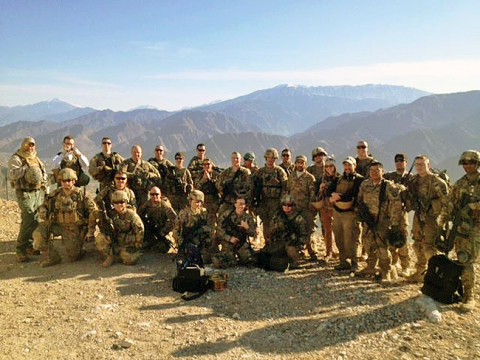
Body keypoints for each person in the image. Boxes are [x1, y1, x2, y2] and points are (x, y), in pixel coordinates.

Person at [440, 150, 480, 312]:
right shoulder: (460, 184)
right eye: (465, 163)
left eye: (471, 162)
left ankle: (469, 296)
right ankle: (465, 293)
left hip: (476, 228)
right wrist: (442, 221)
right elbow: (451, 204)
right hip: (462, 228)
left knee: (469, 260)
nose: (467, 166)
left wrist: (473, 206)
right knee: (463, 259)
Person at [32, 168, 97, 267]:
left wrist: (90, 231)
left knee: (73, 257)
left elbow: (93, 212)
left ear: (74, 181)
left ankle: (79, 247)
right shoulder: (55, 195)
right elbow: (43, 205)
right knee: (38, 235)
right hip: (57, 225)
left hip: (74, 229)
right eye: (64, 181)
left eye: (69, 180)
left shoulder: (82, 195)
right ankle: (52, 257)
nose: (67, 183)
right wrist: (42, 210)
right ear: (60, 182)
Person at [356, 161, 403, 282]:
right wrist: (360, 215)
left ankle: (386, 271)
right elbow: (359, 200)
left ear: (382, 172)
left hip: (382, 221)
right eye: (372, 171)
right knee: (367, 243)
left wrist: (394, 222)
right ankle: (370, 267)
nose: (374, 173)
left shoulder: (388, 186)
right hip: (368, 220)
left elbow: (397, 204)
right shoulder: (365, 184)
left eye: (377, 171)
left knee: (382, 246)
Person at [404, 154, 449, 282]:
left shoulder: (437, 182)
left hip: (432, 219)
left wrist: (442, 222)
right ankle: (420, 273)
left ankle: (435, 275)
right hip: (418, 217)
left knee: (429, 247)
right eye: (417, 164)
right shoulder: (414, 181)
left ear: (428, 165)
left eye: (422, 164)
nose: (419, 167)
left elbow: (447, 202)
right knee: (417, 244)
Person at [8, 137, 48, 262]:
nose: (30, 148)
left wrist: (45, 188)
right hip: (25, 193)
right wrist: (26, 168)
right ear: (23, 146)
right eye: (27, 145)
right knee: (28, 218)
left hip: (38, 192)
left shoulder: (36, 158)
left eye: (32, 145)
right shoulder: (17, 158)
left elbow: (43, 174)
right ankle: (20, 249)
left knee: (35, 220)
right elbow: (12, 174)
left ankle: (30, 246)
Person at [327, 156, 364, 271]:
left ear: (355, 166)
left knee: (351, 238)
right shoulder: (338, 178)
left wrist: (340, 197)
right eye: (345, 165)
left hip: (351, 213)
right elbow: (329, 189)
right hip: (337, 213)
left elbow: (356, 193)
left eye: (350, 165)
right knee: (339, 237)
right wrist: (331, 195)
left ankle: (354, 262)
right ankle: (343, 261)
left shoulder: (359, 180)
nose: (347, 167)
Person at [95, 190, 144, 267]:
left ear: (126, 202)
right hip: (115, 240)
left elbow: (140, 232)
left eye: (122, 202)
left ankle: (118, 255)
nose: (119, 205)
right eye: (116, 202)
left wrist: (136, 245)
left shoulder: (132, 215)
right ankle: (110, 255)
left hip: (128, 242)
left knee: (130, 260)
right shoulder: (110, 214)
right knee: (100, 238)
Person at [259, 194, 309, 270]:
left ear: (293, 206)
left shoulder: (298, 218)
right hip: (279, 241)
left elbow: (304, 235)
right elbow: (271, 230)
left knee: (291, 250)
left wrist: (296, 241)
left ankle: (293, 262)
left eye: (289, 205)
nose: (286, 207)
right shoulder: (278, 216)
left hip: (292, 244)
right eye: (284, 204)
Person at [384, 153, 413, 276]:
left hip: (402, 213)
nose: (399, 162)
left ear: (406, 162)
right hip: (389, 212)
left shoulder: (411, 178)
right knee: (390, 239)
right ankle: (393, 263)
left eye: (402, 160)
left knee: (402, 240)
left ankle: (405, 266)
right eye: (397, 160)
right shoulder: (389, 176)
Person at [253, 148, 288, 244]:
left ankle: (276, 245)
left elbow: (285, 188)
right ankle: (267, 244)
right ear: (265, 158)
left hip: (277, 202)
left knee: (276, 224)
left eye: (273, 158)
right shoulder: (260, 172)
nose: (270, 160)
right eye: (269, 158)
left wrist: (282, 202)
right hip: (264, 202)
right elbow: (254, 186)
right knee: (266, 224)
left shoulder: (279, 171)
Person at [286, 155, 317, 260]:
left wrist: (311, 208)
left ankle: (311, 251)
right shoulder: (291, 176)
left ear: (305, 164)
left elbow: (312, 194)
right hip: (293, 209)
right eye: (298, 162)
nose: (300, 164)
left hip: (306, 209)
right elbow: (288, 191)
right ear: (295, 163)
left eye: (302, 162)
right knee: (294, 230)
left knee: (308, 230)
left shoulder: (309, 178)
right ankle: (298, 251)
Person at [213, 196, 257, 268]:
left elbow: (253, 233)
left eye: (243, 204)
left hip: (241, 242)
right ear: (235, 204)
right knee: (227, 262)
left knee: (250, 261)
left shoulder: (248, 217)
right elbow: (219, 230)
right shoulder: (227, 215)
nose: (241, 206)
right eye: (239, 203)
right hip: (228, 242)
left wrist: (247, 228)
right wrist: (229, 238)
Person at [172, 190, 212, 268]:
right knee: (187, 260)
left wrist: (203, 230)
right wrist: (179, 241)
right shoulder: (184, 213)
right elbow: (176, 229)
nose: (198, 204)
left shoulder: (204, 212)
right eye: (196, 201)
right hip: (187, 241)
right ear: (190, 201)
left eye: (200, 202)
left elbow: (210, 227)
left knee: (205, 260)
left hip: (201, 240)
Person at [313, 156, 339, 260]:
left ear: (334, 166)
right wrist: (320, 189)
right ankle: (329, 252)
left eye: (331, 166)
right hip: (324, 207)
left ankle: (341, 252)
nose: (329, 168)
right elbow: (315, 194)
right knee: (327, 230)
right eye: (327, 166)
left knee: (338, 231)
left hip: (337, 208)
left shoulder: (339, 178)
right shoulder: (320, 178)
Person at [193, 158, 221, 248]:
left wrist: (211, 180)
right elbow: (196, 187)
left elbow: (219, 188)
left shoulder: (217, 174)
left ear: (211, 165)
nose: (206, 166)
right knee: (202, 224)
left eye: (208, 164)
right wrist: (203, 180)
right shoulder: (200, 175)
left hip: (214, 203)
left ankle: (213, 245)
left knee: (212, 225)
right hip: (203, 203)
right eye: (204, 164)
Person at [138, 187, 177, 253]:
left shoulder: (165, 205)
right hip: (152, 228)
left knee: (165, 246)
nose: (154, 196)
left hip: (164, 230)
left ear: (160, 195)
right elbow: (138, 215)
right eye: (152, 194)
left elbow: (174, 219)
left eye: (156, 194)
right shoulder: (147, 204)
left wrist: (164, 231)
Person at [122, 145, 160, 209]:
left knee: (144, 209)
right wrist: (134, 175)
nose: (136, 154)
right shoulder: (126, 163)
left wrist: (148, 174)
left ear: (141, 154)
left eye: (138, 152)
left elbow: (157, 174)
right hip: (130, 191)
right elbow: (121, 173)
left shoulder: (146, 164)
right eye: (134, 152)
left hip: (144, 192)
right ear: (131, 153)